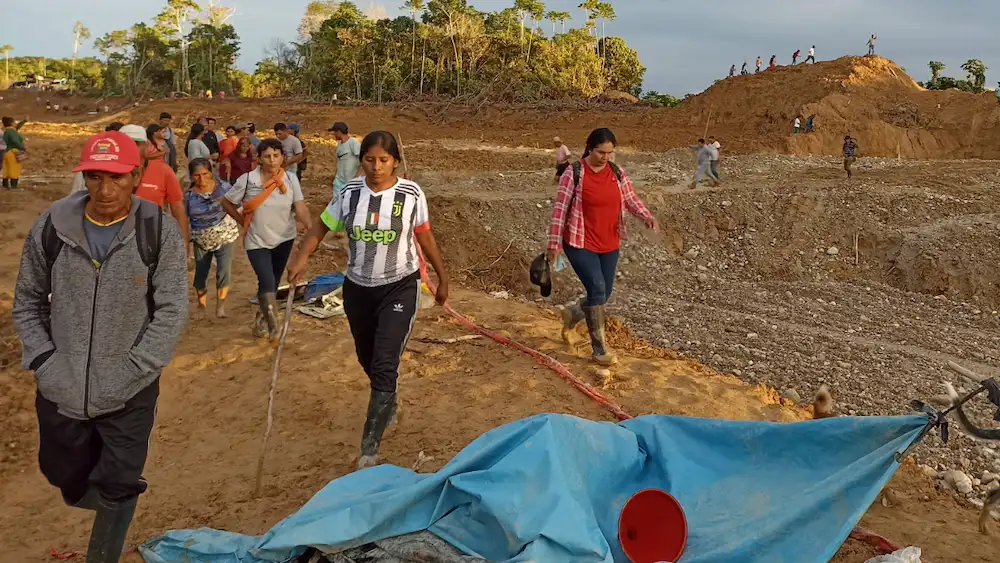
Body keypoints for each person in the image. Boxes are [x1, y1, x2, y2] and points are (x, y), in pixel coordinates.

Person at [12, 130, 188, 563]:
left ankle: (102, 552)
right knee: (64, 475)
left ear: (137, 174)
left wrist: (139, 365)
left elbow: (171, 307)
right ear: (84, 177)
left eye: (116, 177)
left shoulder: (157, 230)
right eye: (94, 177)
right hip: (62, 386)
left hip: (131, 387)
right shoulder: (52, 227)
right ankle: (108, 498)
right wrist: (44, 360)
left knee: (120, 479)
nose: (104, 190)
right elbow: (28, 299)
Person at [286, 131, 448, 470]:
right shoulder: (349, 194)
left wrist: (441, 277)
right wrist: (302, 258)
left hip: (399, 286)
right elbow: (320, 227)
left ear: (395, 162)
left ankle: (369, 448)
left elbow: (425, 236)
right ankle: (388, 398)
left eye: (384, 160)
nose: (376, 167)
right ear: (361, 160)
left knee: (385, 362)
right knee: (368, 359)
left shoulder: (411, 194)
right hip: (357, 288)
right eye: (370, 160)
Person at [546, 128, 658, 367]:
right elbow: (560, 210)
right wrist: (554, 244)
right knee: (596, 287)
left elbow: (630, 199)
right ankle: (599, 349)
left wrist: (646, 216)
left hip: (609, 242)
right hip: (579, 241)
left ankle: (574, 313)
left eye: (610, 153)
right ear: (590, 147)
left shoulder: (617, 173)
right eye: (601, 152)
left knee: (604, 293)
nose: (605, 157)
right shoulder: (574, 173)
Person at [220, 138, 312, 340]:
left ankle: (261, 319)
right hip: (257, 240)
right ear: (259, 159)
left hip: (284, 238)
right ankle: (273, 327)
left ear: (282, 158)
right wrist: (242, 221)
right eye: (267, 156)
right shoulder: (248, 180)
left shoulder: (290, 180)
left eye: (276, 156)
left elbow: (300, 206)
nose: (272, 160)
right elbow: (226, 202)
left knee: (272, 281)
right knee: (267, 279)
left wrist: (311, 227)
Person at [185, 158, 239, 317]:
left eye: (205, 173)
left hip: (225, 235)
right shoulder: (189, 196)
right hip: (201, 239)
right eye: (196, 175)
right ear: (191, 176)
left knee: (224, 271)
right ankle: (202, 305)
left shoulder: (224, 188)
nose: (201, 179)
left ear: (211, 172)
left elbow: (236, 207)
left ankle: (220, 306)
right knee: (201, 273)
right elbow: (184, 219)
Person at [330, 122, 362, 196]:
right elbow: (339, 162)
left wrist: (357, 177)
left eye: (335, 132)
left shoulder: (353, 143)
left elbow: (362, 161)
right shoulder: (339, 145)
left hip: (351, 182)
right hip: (339, 180)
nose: (333, 134)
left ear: (339, 132)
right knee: (336, 203)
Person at [2, 116, 28, 189]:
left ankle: (5, 185)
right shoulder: (11, 132)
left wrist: (24, 121)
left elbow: (17, 127)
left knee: (6, 169)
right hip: (13, 152)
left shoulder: (7, 131)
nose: (16, 123)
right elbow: (15, 140)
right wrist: (23, 147)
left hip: (6, 152)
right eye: (14, 122)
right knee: (14, 168)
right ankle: (14, 186)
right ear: (11, 123)